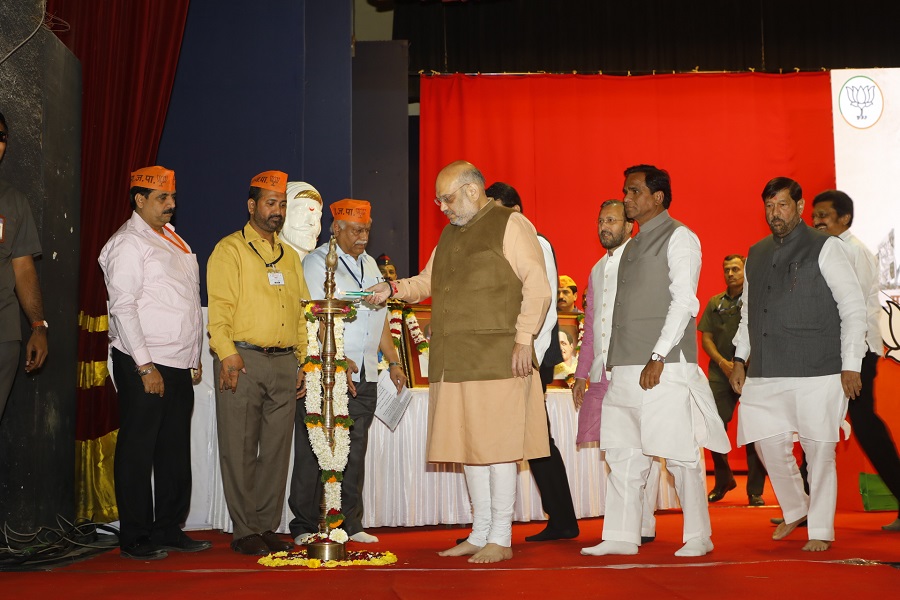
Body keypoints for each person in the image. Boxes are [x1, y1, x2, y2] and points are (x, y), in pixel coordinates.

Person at [367, 161, 552, 564]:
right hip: (455, 362)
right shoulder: (450, 235)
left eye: (447, 199)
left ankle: (501, 536)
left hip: (499, 358)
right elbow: (427, 282)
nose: (442, 208)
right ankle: (481, 530)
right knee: (471, 448)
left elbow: (538, 286)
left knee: (499, 449)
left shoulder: (511, 224)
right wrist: (392, 288)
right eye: (438, 201)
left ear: (472, 190)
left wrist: (524, 339)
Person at [582, 165, 729, 558]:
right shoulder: (628, 247)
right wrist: (606, 363)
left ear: (657, 197)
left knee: (680, 454)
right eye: (625, 192)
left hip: (664, 365)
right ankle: (620, 535)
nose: (626, 198)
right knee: (623, 453)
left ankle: (698, 536)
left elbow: (685, 302)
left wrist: (658, 355)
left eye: (633, 192)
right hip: (624, 367)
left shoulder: (680, 236)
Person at [730, 177, 867, 552]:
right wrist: (740, 358)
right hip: (766, 369)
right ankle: (796, 507)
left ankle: (820, 529)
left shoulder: (827, 248)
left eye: (783, 206)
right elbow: (748, 314)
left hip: (820, 369)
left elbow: (853, 307)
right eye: (769, 207)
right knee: (765, 442)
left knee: (819, 450)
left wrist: (851, 363)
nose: (775, 214)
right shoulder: (755, 253)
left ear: (801, 206)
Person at [98, 166, 209, 560]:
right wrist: (145, 367)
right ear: (139, 199)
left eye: (173, 198)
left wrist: (193, 356)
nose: (172, 205)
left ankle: (168, 528)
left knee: (173, 450)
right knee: (138, 450)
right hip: (142, 360)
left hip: (177, 361)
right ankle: (135, 536)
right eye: (163, 198)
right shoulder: (128, 243)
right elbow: (123, 308)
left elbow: (182, 301)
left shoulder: (171, 238)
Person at [289, 199, 407, 545]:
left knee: (354, 449)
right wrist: (336, 357)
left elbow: (380, 317)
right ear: (336, 228)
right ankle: (304, 525)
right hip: (328, 371)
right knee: (316, 447)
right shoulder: (316, 263)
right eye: (357, 229)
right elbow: (314, 314)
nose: (364, 236)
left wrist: (395, 360)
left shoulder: (371, 264)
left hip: (367, 372)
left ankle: (350, 525)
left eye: (367, 229)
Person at [207, 170, 311, 555]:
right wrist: (227, 353)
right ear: (252, 206)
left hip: (284, 362)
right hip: (244, 359)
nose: (277, 211)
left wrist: (304, 360)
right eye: (270, 203)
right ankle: (245, 528)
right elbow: (218, 310)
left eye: (282, 204)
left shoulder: (290, 258)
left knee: (276, 451)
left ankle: (267, 525)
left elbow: (302, 312)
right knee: (239, 446)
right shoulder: (230, 249)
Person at [489, 180, 579, 542]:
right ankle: (558, 519)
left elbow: (542, 302)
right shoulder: (504, 244)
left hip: (530, 355)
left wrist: (532, 356)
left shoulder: (535, 242)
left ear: (515, 211)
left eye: (496, 212)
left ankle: (562, 520)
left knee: (537, 439)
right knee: (532, 439)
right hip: (514, 355)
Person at [811, 189, 900, 532]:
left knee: (866, 427)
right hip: (834, 352)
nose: (817, 221)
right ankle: (806, 507)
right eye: (815, 215)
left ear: (844, 218)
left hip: (858, 353)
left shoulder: (854, 251)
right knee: (813, 422)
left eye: (824, 215)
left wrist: (853, 358)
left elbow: (857, 308)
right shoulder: (830, 249)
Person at [574, 199, 660, 546]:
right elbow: (592, 326)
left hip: (637, 368)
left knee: (645, 445)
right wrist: (582, 373)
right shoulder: (597, 269)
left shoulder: (641, 262)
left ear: (629, 226)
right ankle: (628, 525)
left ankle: (643, 523)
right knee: (617, 449)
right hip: (604, 371)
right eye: (600, 221)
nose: (604, 226)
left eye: (611, 220)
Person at [698, 255, 768, 506]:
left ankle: (755, 490)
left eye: (735, 268)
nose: (730, 273)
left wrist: (744, 362)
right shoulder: (715, 302)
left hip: (754, 371)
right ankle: (723, 479)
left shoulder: (757, 300)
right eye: (726, 269)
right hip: (720, 373)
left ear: (745, 271)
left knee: (755, 430)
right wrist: (723, 363)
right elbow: (706, 338)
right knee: (712, 425)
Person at [0, 110, 48, 423]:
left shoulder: (13, 200)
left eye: (2, 138)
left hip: (3, 337)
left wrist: (38, 326)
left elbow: (23, 269)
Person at [280, 181, 323, 260]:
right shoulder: (264, 261)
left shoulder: (320, 266)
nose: (312, 222)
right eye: (301, 213)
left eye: (317, 216)